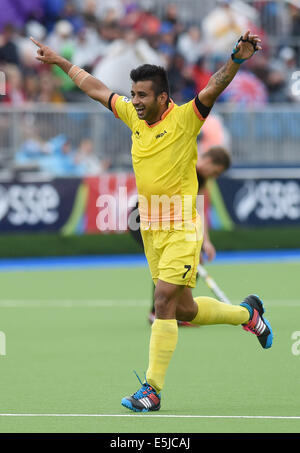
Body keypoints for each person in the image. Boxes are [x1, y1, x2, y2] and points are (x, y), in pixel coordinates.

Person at [30, 30, 273, 413]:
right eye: (134, 94)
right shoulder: (133, 116)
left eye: (143, 95)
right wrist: (60, 61)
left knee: (162, 302)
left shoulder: (185, 119)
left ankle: (152, 390)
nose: (135, 101)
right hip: (152, 231)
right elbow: (96, 88)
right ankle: (249, 314)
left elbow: (213, 86)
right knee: (184, 310)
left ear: (163, 96)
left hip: (181, 229)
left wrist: (237, 59)